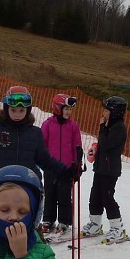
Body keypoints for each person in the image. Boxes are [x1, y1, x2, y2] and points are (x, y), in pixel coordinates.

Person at [81, 96, 128, 241]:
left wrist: (102, 127)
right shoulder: (110, 126)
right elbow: (103, 144)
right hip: (101, 167)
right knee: (95, 196)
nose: (104, 113)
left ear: (115, 112)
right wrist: (95, 150)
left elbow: (107, 143)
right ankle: (95, 224)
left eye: (106, 111)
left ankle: (117, 228)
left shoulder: (119, 127)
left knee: (107, 197)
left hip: (110, 170)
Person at [39, 93, 83, 236]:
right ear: (58, 108)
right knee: (50, 194)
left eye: (70, 109)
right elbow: (42, 144)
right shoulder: (47, 124)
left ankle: (64, 222)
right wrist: (42, 160)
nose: (69, 112)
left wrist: (77, 164)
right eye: (66, 109)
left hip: (66, 168)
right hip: (50, 167)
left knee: (64, 196)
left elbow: (77, 146)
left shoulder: (73, 126)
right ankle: (48, 220)